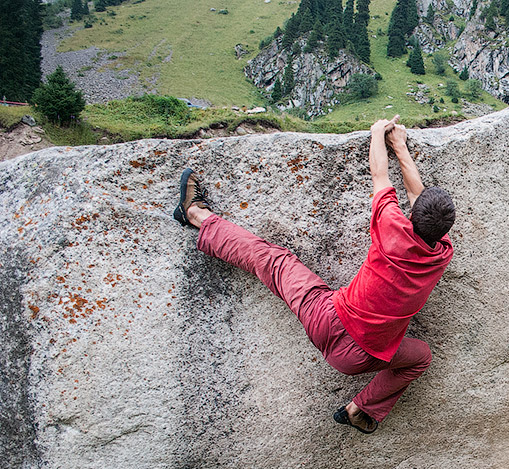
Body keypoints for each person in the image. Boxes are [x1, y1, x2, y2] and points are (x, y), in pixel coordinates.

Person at [172, 116, 455, 434]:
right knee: (421, 358)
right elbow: (418, 200)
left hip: (328, 319)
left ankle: (197, 216)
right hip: (359, 359)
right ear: (443, 231)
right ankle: (361, 409)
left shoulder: (392, 226)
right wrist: (401, 146)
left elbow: (380, 174)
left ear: (412, 215)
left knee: (274, 262)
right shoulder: (441, 256)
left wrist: (379, 134)